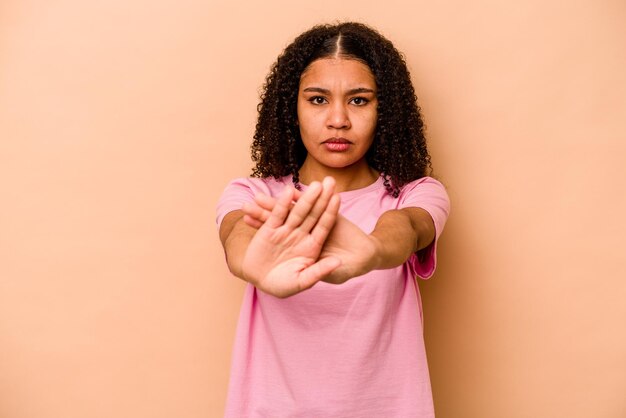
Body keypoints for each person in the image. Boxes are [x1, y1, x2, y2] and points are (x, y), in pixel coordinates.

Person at [216, 22, 450, 417]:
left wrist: (372, 250)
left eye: (359, 101)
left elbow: (407, 228)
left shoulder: (416, 194)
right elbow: (237, 234)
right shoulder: (255, 196)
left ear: (385, 110)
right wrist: (248, 263)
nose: (338, 119)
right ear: (292, 107)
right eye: (318, 99)